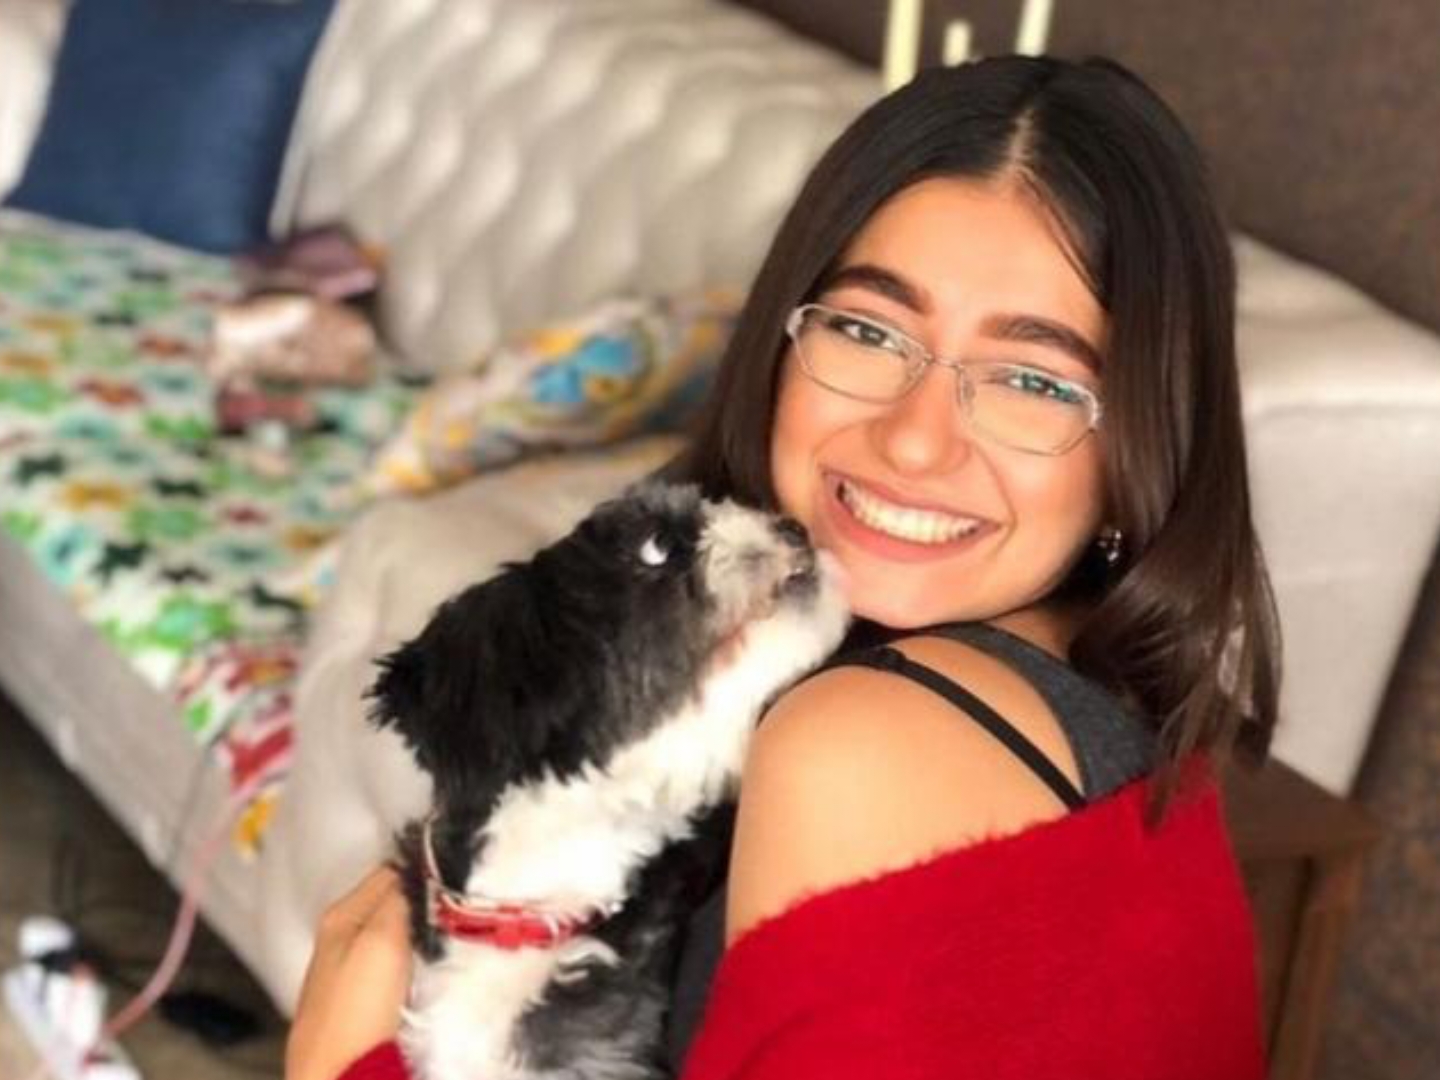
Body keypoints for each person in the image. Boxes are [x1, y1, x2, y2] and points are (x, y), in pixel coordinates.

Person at [286, 54, 1279, 1080]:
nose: (914, 440)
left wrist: (339, 1062)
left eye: (1034, 381)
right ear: (781, 339)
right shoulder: (1105, 709)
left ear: (1143, 444)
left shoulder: (861, 744)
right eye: (866, 330)